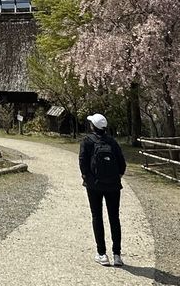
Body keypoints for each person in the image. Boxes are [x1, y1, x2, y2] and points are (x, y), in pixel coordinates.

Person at [79, 113, 127, 267]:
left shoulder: (87, 141)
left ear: (93, 126)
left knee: (97, 216)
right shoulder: (112, 142)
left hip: (94, 185)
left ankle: (101, 253)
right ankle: (117, 255)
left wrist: (87, 177)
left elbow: (83, 162)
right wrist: (116, 177)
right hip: (113, 186)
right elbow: (122, 164)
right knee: (114, 218)